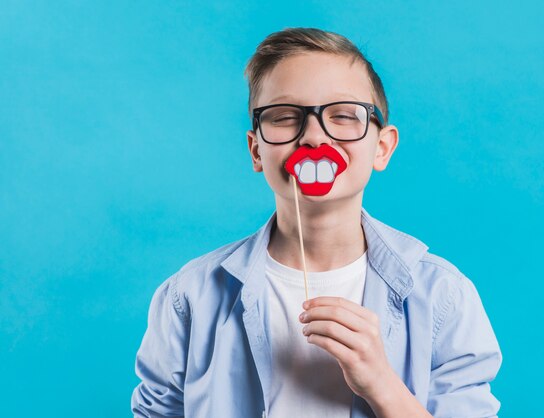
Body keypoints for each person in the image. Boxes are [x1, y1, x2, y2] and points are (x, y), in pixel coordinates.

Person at [131, 27, 502, 418]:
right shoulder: (190, 296)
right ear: (257, 151)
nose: (313, 136)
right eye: (284, 117)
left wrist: (381, 382)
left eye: (342, 115)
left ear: (382, 147)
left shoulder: (444, 297)